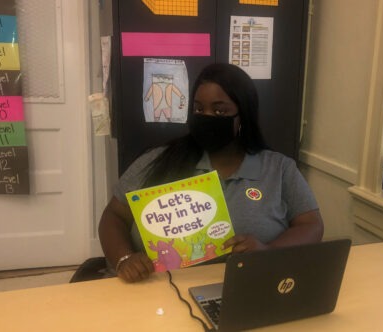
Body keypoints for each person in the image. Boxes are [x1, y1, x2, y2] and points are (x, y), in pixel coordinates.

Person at [98, 63, 324, 283]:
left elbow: (312, 225)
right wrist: (125, 259)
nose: (206, 117)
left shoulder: (279, 168)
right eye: (198, 108)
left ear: (243, 116)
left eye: (219, 110)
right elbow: (113, 216)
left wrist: (269, 251)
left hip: (248, 291)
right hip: (157, 293)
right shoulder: (158, 161)